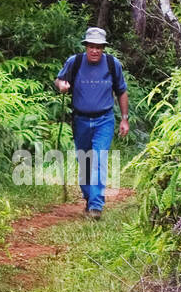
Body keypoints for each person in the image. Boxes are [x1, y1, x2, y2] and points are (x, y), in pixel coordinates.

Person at [55, 27, 129, 218]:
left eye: (99, 47)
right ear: (86, 46)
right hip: (80, 120)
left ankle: (96, 206)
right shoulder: (75, 62)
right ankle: (90, 198)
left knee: (98, 159)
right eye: (91, 46)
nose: (95, 50)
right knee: (85, 162)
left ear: (104, 48)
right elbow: (60, 79)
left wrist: (124, 119)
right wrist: (62, 85)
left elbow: (122, 91)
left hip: (104, 119)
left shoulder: (113, 64)